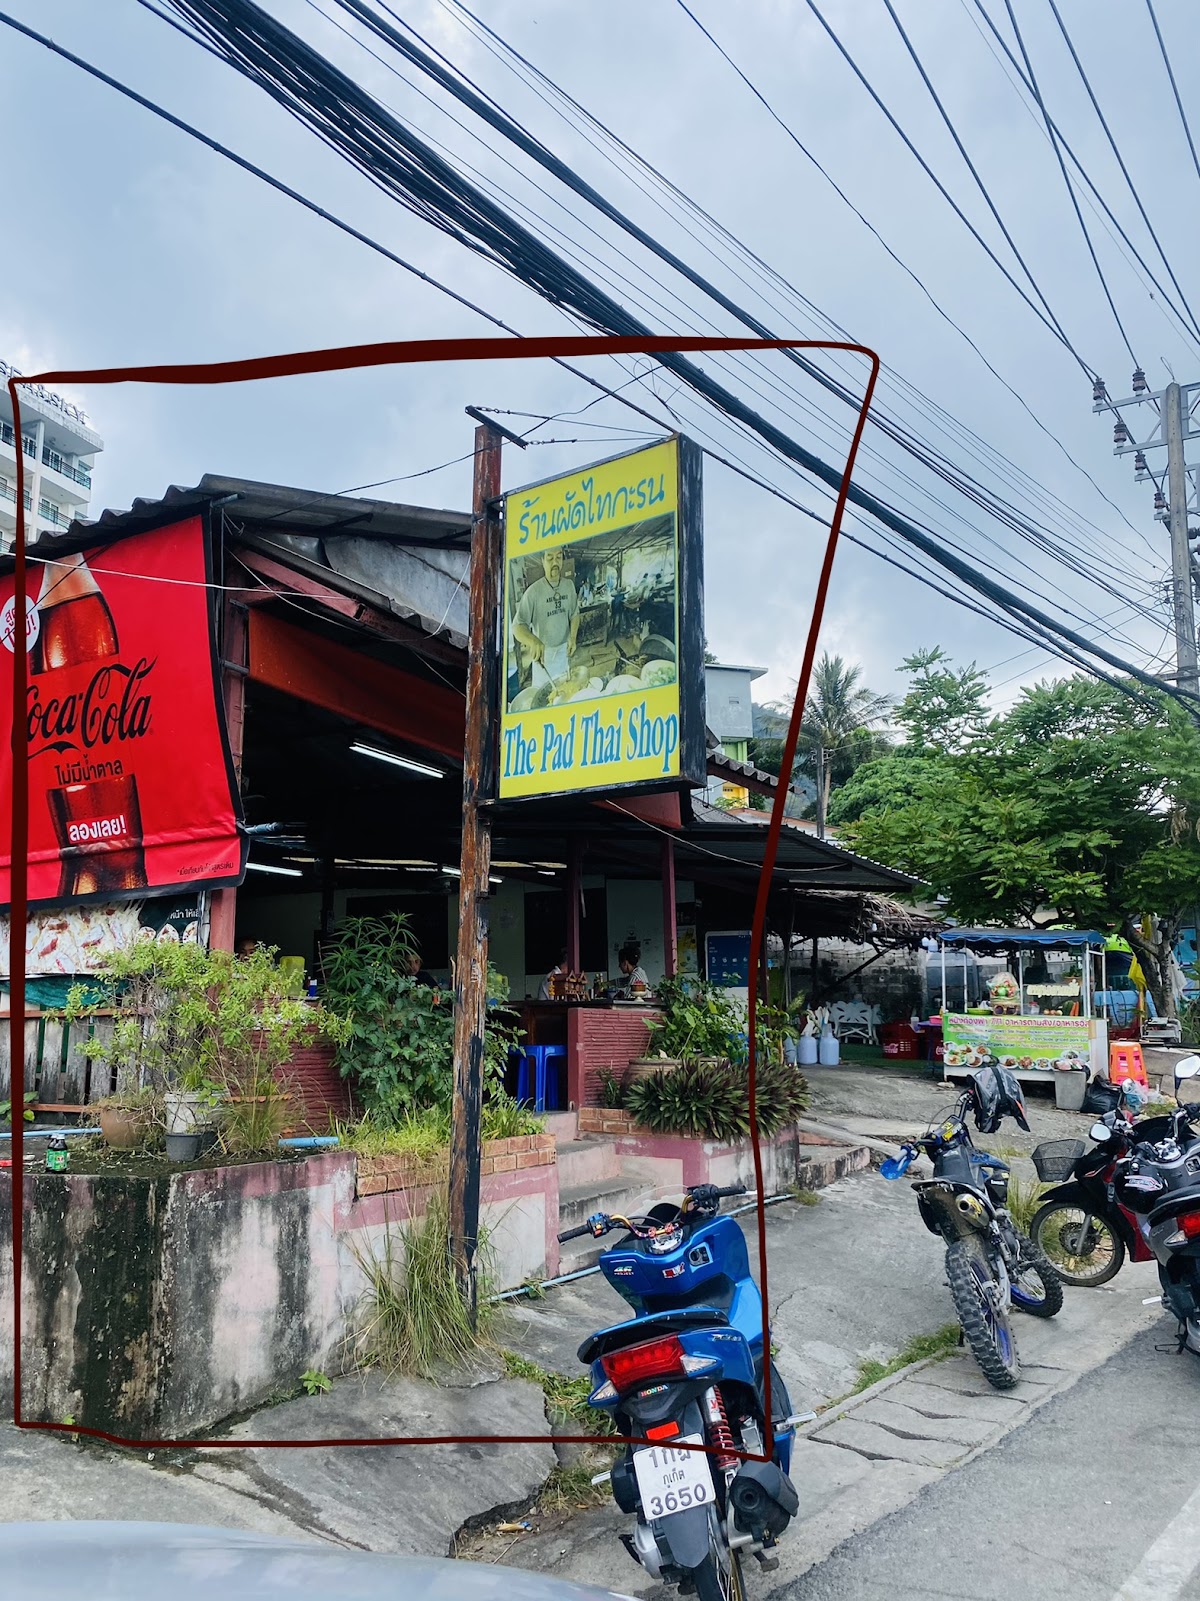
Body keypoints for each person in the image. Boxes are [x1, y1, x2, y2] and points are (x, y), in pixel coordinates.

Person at [512, 546, 579, 691]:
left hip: (564, 653)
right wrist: (533, 641)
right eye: (550, 558)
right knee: (543, 695)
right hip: (543, 656)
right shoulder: (533, 592)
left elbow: (575, 614)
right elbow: (517, 626)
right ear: (542, 561)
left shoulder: (569, 586)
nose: (555, 562)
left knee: (564, 691)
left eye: (559, 557)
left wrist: (573, 637)